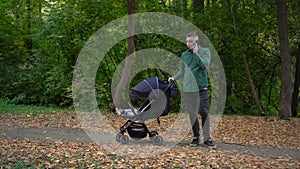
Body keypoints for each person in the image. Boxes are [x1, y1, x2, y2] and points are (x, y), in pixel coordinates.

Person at [168, 32, 216, 148]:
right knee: (192, 113)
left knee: (204, 112)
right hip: (188, 88)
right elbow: (182, 71)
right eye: (187, 41)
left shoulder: (205, 52)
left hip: (201, 87)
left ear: (196, 41)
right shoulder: (184, 55)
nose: (188, 43)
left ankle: (207, 138)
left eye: (190, 41)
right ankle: (196, 137)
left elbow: (204, 65)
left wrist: (196, 54)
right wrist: (174, 77)